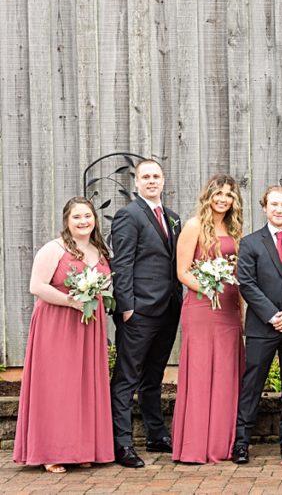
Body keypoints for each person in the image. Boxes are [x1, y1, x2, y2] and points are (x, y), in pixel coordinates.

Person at [14, 197, 115, 472]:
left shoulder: (99, 250)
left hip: (88, 325)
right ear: (67, 221)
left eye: (87, 217)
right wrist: (71, 301)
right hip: (57, 323)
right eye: (77, 217)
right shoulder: (53, 249)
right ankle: (50, 451)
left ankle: (81, 448)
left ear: (94, 219)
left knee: (83, 386)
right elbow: (36, 286)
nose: (83, 222)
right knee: (57, 386)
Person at [232, 185, 282, 464]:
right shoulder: (251, 242)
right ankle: (241, 442)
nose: (279, 210)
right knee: (252, 384)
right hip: (262, 326)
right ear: (265, 207)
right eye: (274, 205)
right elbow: (247, 283)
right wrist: (272, 314)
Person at [109, 159, 182, 468]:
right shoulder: (129, 215)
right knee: (127, 377)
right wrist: (126, 306)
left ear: (163, 181)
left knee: (153, 377)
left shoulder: (173, 218)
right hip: (138, 310)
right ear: (136, 182)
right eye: (145, 177)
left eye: (156, 176)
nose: (151, 181)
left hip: (169, 308)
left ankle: (155, 434)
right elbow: (122, 263)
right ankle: (122, 444)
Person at [171, 175, 245, 463]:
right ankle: (195, 444)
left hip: (228, 308)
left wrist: (240, 310)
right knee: (201, 372)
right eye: (218, 193)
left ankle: (221, 443)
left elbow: (238, 274)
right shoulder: (193, 226)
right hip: (201, 306)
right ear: (209, 196)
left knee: (227, 372)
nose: (223, 199)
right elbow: (182, 271)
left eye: (228, 195)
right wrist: (209, 287)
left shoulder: (234, 229)